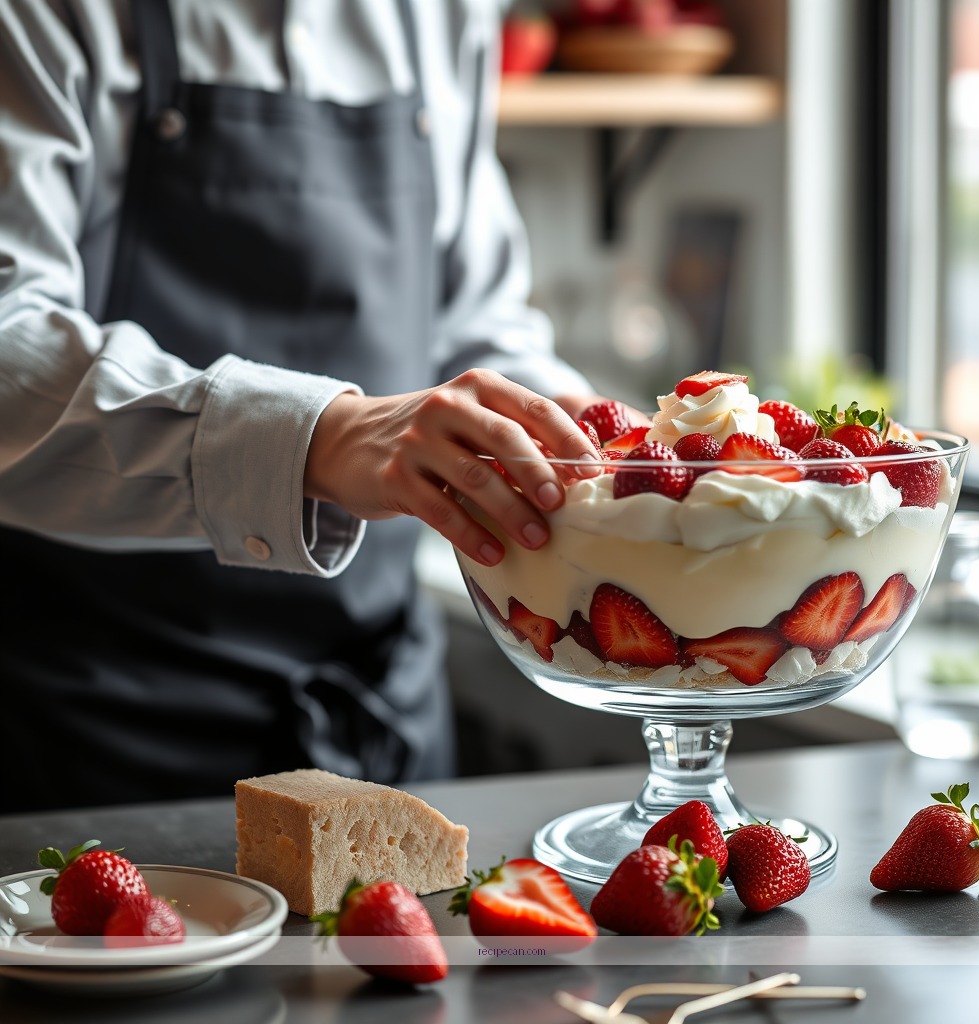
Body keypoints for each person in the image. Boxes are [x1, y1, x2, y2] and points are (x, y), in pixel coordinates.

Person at [0, 0, 612, 813]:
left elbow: (472, 320)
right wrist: (323, 436)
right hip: (97, 729)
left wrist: (569, 425)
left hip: (381, 712)